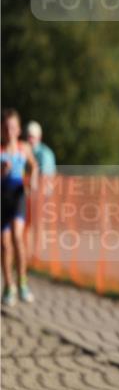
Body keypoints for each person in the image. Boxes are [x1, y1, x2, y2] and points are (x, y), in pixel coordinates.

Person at [1, 109, 38, 306]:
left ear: (18, 129)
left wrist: (32, 180)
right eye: (6, 128)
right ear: (1, 130)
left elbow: (33, 165)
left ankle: (22, 282)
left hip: (18, 198)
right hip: (2, 200)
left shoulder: (24, 148)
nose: (9, 131)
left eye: (13, 127)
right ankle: (8, 286)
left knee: (17, 236)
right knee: (5, 245)